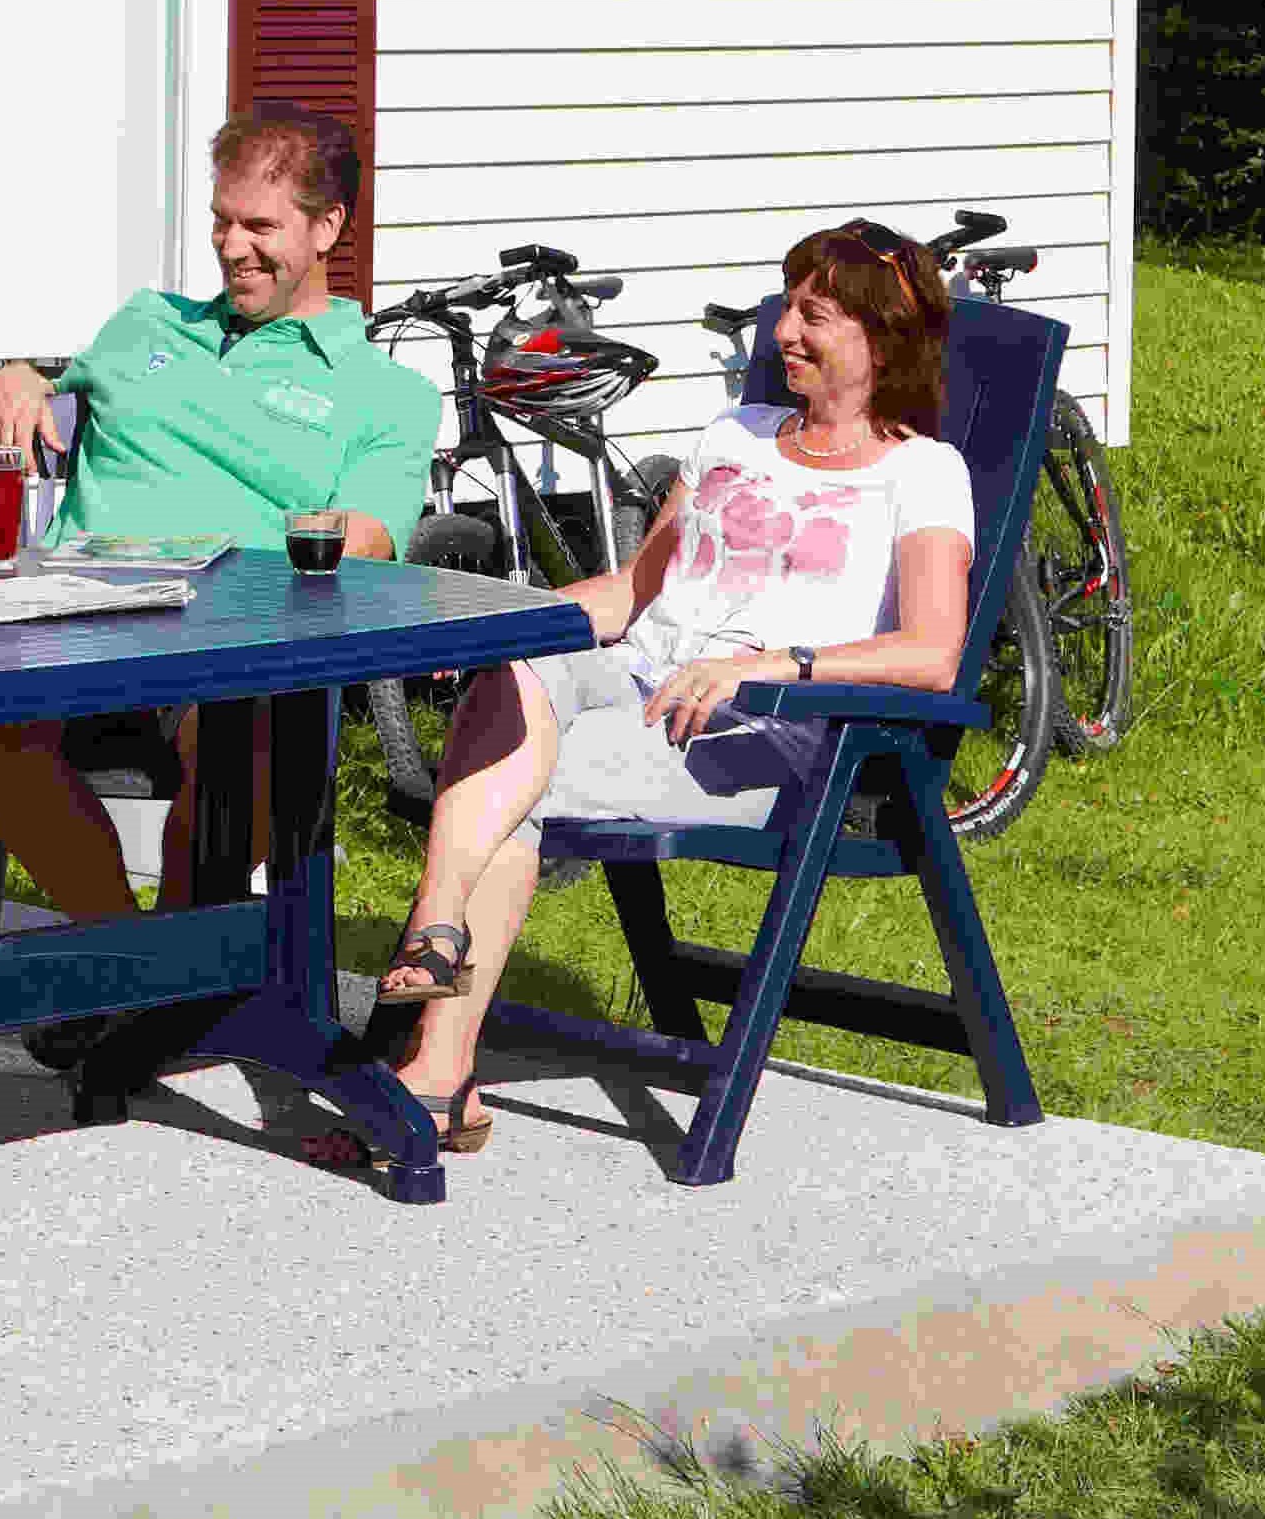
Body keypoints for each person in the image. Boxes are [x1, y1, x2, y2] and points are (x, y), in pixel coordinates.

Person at [304, 221, 975, 1170]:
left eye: (814, 316)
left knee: (503, 777)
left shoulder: (923, 472)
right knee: (515, 669)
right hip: (636, 684)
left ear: (883, 340)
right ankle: (441, 962)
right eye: (788, 309)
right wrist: (499, 617)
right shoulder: (732, 434)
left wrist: (769, 664)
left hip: (754, 733)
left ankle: (435, 1060)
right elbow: (632, 595)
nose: (783, 332)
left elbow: (933, 653)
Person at [0, 110, 438, 937]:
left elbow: (367, 538)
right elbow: (55, 379)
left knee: (250, 736)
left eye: (260, 226)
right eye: (220, 220)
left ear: (328, 228)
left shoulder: (385, 394)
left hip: (224, 644)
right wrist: (16, 373)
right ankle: (132, 965)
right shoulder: (147, 324)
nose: (231, 245)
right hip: (68, 619)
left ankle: (157, 972)